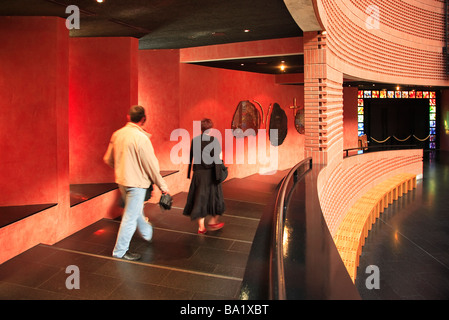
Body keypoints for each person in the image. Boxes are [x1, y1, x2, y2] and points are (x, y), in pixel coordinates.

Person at [104, 105, 170, 261]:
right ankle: (120, 252)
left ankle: (147, 233)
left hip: (122, 181)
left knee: (134, 211)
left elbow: (108, 159)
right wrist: (163, 187)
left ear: (128, 117)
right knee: (130, 217)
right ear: (143, 119)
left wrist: (121, 168)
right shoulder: (142, 138)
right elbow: (151, 166)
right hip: (137, 184)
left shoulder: (117, 134)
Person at [183, 118, 225, 234]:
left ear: (201, 129)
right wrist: (219, 173)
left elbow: (191, 157)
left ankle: (201, 228)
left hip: (198, 174)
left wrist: (189, 173)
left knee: (199, 200)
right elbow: (218, 159)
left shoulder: (194, 140)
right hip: (210, 174)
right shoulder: (214, 140)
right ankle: (212, 221)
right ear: (211, 129)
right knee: (215, 198)